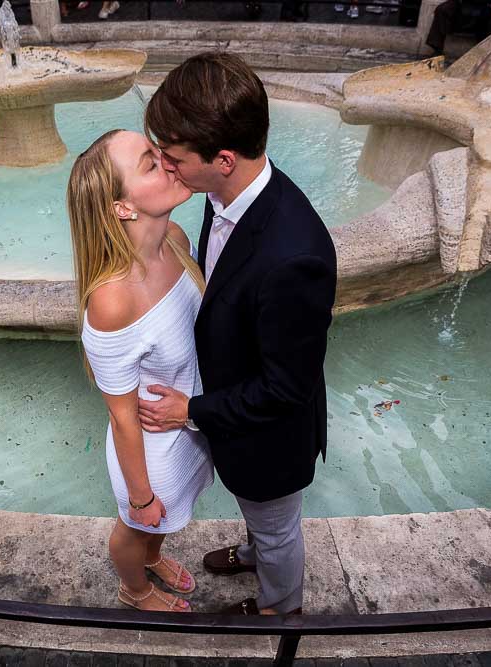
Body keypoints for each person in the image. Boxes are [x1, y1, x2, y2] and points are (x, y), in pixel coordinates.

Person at [139, 52, 337, 616]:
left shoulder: (293, 258)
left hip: (269, 437)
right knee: (261, 524)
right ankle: (254, 550)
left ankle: (280, 606)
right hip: (239, 416)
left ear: (223, 158)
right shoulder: (226, 192)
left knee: (278, 529)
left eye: (172, 158)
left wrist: (190, 411)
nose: (165, 167)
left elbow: (285, 391)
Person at [67, 129, 214, 613]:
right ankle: (134, 587)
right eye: (151, 163)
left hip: (186, 422)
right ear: (122, 209)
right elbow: (122, 417)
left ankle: (154, 553)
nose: (171, 162)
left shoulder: (174, 239)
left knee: (161, 526)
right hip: (148, 450)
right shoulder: (112, 301)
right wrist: (141, 495)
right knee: (137, 523)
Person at [425, 0, 491, 54]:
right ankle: (437, 50)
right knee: (443, 8)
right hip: (465, 9)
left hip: (488, 11)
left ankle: (490, 53)